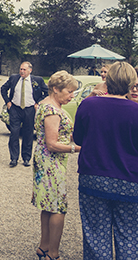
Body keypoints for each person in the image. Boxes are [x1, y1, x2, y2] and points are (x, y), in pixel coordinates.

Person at [73, 61, 138, 260]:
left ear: (107, 80)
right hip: (129, 180)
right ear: (131, 83)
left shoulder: (89, 105)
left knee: (96, 235)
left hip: (94, 176)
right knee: (129, 235)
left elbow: (78, 138)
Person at [31, 71, 81, 260]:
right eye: (69, 92)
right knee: (59, 207)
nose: (72, 96)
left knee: (48, 205)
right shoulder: (51, 110)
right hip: (50, 163)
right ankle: (53, 253)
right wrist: (77, 148)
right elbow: (52, 144)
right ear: (55, 89)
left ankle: (44, 247)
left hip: (46, 161)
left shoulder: (46, 104)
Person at [0, 62, 48, 167]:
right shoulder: (14, 78)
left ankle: (26, 158)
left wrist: (38, 103)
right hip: (15, 109)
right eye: (21, 69)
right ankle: (14, 158)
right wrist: (8, 101)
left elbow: (47, 92)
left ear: (30, 70)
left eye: (24, 69)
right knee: (14, 133)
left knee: (28, 134)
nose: (22, 71)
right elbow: (3, 89)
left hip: (29, 109)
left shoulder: (37, 80)